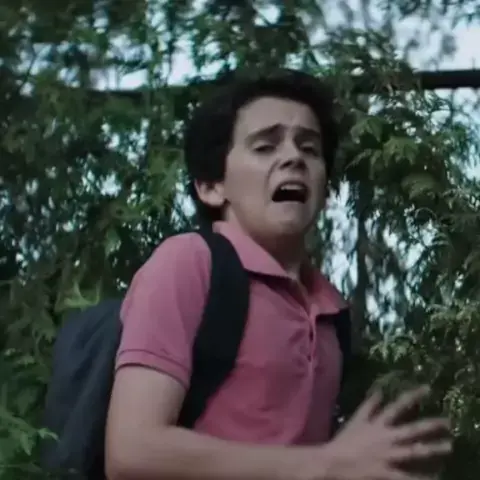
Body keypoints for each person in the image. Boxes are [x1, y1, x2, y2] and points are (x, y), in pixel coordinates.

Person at [105, 70, 451, 480]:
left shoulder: (332, 311)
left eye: (310, 148)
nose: (293, 158)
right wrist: (326, 463)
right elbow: (132, 451)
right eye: (265, 146)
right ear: (212, 186)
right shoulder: (189, 263)